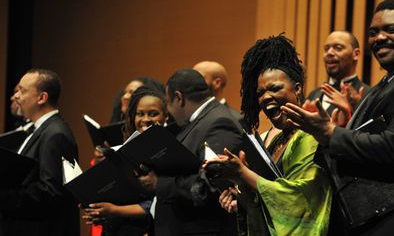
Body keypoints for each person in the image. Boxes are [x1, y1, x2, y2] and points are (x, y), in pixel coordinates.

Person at [280, 0, 394, 235]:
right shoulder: (386, 83)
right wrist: (321, 133)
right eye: (373, 32)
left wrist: (330, 132)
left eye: (391, 29)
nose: (380, 37)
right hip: (368, 218)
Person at [208, 34, 332, 236]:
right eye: (260, 93)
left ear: (297, 88)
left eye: (274, 88)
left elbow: (299, 202)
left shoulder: (310, 137)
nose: (266, 97)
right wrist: (241, 193)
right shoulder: (274, 140)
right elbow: (267, 197)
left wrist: (243, 174)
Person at [138, 69, 243, 235]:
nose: (169, 112)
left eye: (168, 103)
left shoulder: (219, 122)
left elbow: (209, 186)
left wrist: (160, 183)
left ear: (179, 98)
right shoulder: (202, 121)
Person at [0, 69, 79, 236]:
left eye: (22, 90)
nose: (16, 96)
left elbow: (52, 192)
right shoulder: (41, 130)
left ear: (42, 98)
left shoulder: (56, 134)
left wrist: (5, 197)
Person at [83, 86, 169, 236]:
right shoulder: (125, 148)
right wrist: (100, 211)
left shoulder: (167, 150)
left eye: (153, 114)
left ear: (166, 117)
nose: (146, 119)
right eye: (140, 114)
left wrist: (115, 210)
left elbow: (157, 202)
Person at [307, 31, 370, 116]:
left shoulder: (368, 95)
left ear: (356, 54)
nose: (329, 53)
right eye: (326, 49)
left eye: (338, 48)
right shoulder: (313, 95)